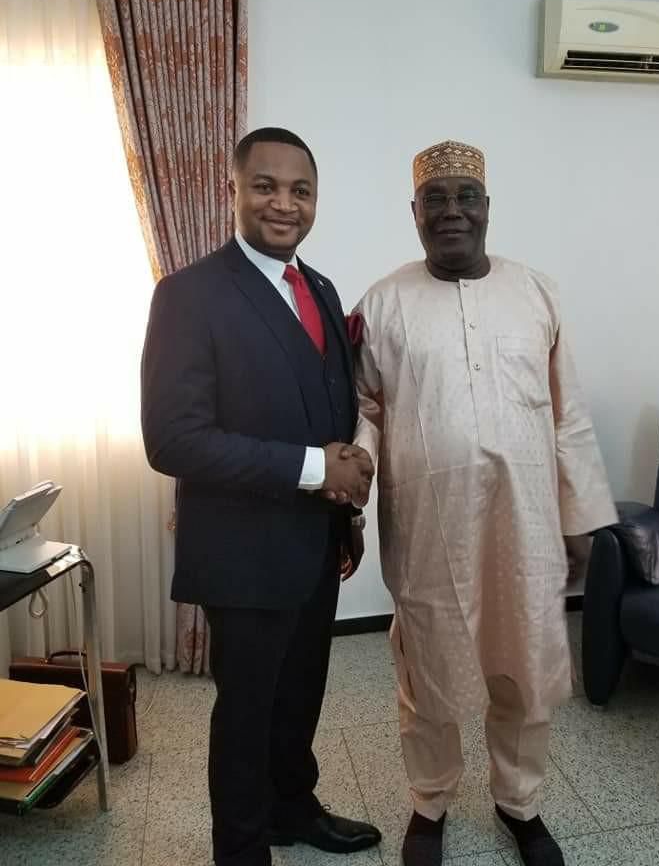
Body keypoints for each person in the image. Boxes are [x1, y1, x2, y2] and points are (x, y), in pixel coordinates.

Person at [351, 140, 617, 866]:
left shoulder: (537, 292)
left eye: (466, 196)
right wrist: (348, 496)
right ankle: (430, 800)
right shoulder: (381, 304)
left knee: (522, 667)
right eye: (436, 200)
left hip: (524, 526)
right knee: (428, 670)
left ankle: (520, 803)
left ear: (487, 208)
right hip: (429, 526)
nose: (452, 212)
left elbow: (568, 413)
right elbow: (362, 411)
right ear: (414, 213)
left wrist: (582, 517)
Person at [141, 127, 381, 866]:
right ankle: (242, 851)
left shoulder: (322, 287)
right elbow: (173, 440)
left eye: (301, 190)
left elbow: (330, 407)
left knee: (300, 696)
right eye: (267, 186)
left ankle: (291, 808)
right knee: (245, 714)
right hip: (243, 554)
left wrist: (345, 514)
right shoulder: (188, 295)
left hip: (314, 543)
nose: (285, 203)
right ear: (234, 191)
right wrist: (317, 470)